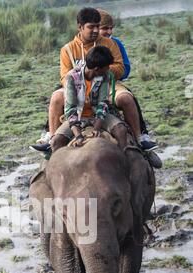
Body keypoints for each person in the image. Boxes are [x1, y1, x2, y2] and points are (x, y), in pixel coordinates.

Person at [30, 7, 161, 167]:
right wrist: (82, 83)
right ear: (80, 27)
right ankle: (50, 139)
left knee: (126, 97)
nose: (95, 30)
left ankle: (140, 141)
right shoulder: (68, 49)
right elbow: (65, 76)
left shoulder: (110, 43)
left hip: (108, 82)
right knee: (57, 96)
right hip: (77, 84)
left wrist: (101, 69)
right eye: (91, 27)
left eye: (97, 26)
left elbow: (120, 68)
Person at [51, 46, 128, 153]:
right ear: (97, 69)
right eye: (107, 67)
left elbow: (103, 104)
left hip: (97, 115)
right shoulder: (72, 77)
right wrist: (78, 135)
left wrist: (96, 128)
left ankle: (125, 159)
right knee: (56, 142)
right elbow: (70, 109)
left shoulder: (104, 76)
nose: (108, 69)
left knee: (121, 130)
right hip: (78, 116)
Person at [97, 8, 155, 149]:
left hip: (111, 83)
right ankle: (49, 134)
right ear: (94, 27)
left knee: (128, 98)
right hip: (84, 84)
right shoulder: (81, 44)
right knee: (59, 96)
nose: (109, 32)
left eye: (111, 28)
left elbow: (126, 68)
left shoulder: (115, 43)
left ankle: (141, 135)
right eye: (105, 28)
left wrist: (108, 71)